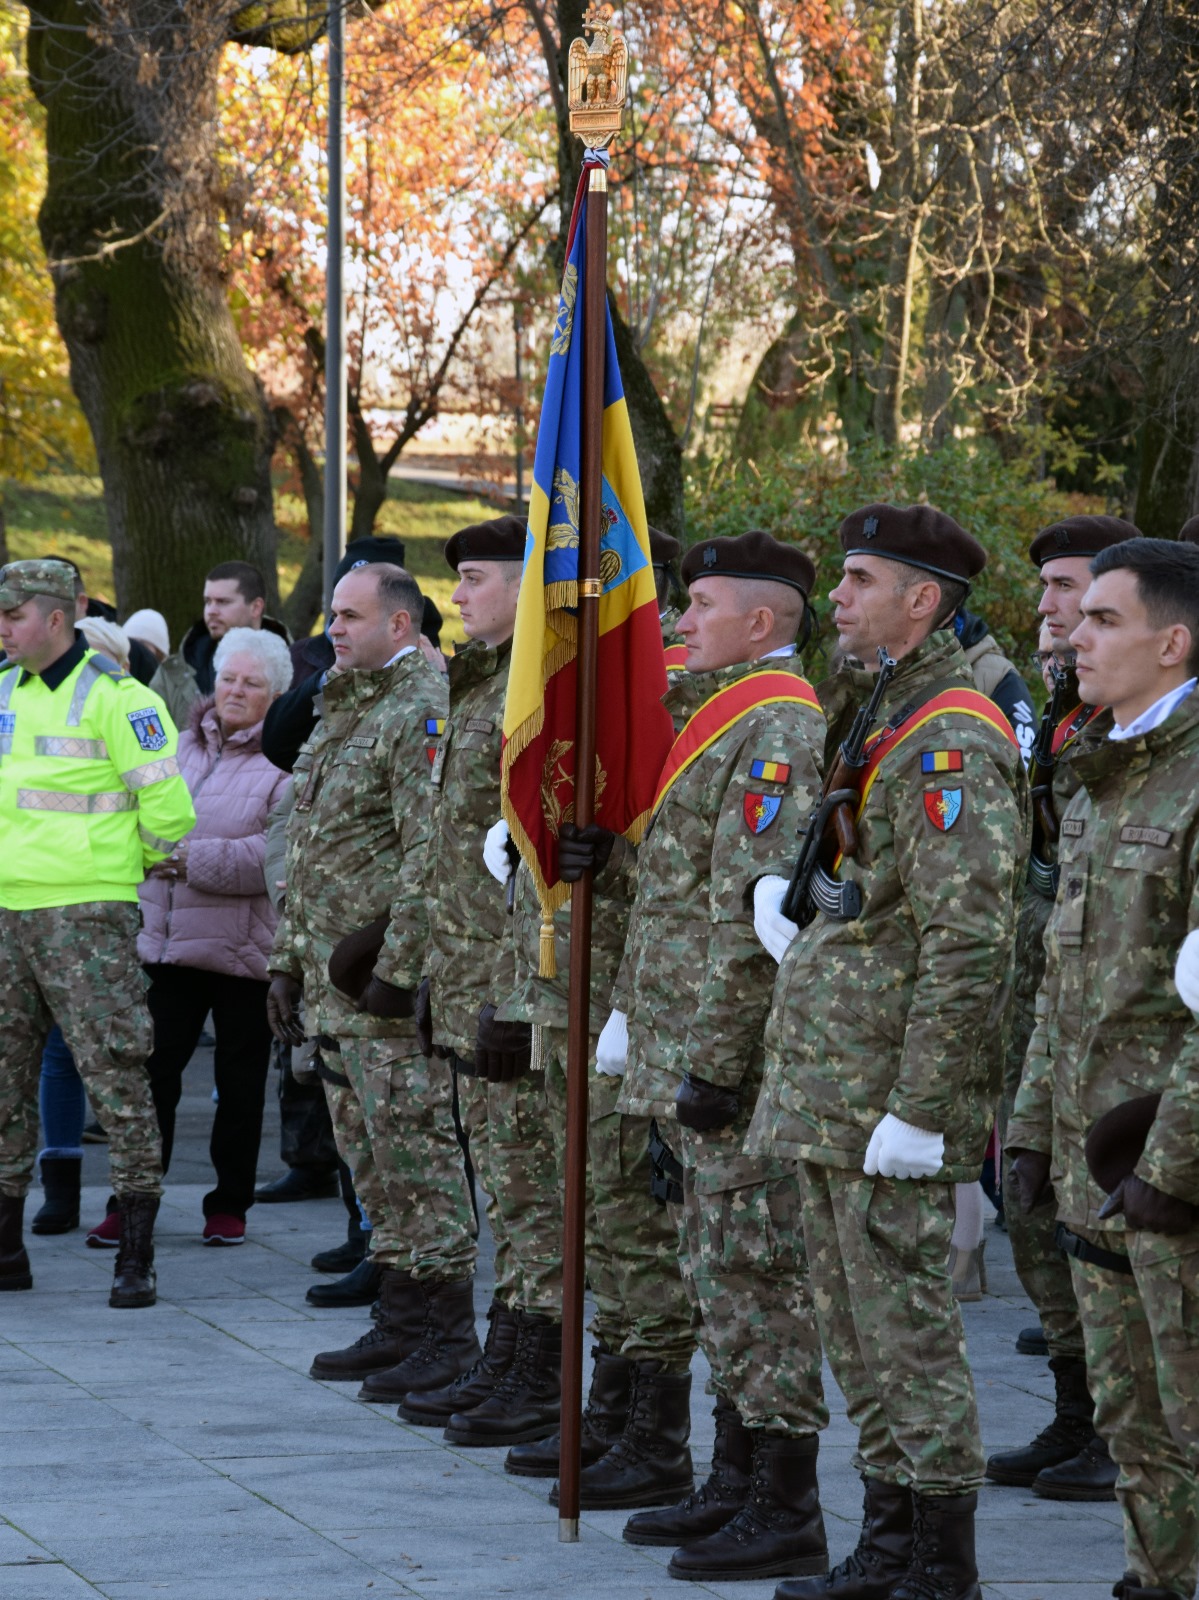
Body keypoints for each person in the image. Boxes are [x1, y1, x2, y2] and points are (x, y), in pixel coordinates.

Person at [753, 504, 1028, 1600]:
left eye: (859, 579)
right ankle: (887, 1538)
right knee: (855, 1331)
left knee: (904, 1331)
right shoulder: (883, 711)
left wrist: (921, 1107)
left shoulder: (948, 733)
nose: (837, 598)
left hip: (881, 1098)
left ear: (923, 599)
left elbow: (970, 942)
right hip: (833, 1083)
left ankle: (935, 1557)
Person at [567, 530, 831, 1582]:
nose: (678, 622)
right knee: (715, 1273)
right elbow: (677, 889)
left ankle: (783, 1500)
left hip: (729, 1054)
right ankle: (731, 1481)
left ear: (760, 623)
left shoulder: (774, 724)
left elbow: (743, 913)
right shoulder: (722, 718)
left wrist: (715, 1062)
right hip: (679, 1034)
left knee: (755, 1280)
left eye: (701, 605)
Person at [1007, 536, 1199, 1600]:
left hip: (1167, 1174)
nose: (1073, 634)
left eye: (1103, 620)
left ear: (1172, 643)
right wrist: (1031, 1128)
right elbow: (1061, 976)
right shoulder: (1099, 771)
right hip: (1097, 1167)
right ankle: (1152, 1580)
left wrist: (1168, 1167)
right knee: (1133, 1421)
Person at [266, 563, 480, 1398]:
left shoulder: (418, 710)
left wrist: (396, 972)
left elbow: (429, 853)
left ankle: (445, 1332)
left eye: (351, 617)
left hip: (379, 992)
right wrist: (286, 963)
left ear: (402, 626)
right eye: (331, 617)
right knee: (372, 1166)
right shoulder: (342, 709)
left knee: (416, 1159)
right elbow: (312, 851)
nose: (334, 631)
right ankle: (399, 1320)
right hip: (332, 993)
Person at [984, 516, 1137, 1502]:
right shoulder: (1063, 713)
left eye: (1070, 592)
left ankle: (1121, 1435)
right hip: (1036, 999)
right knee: (1036, 1219)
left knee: (1106, 1243)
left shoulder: (1132, 727)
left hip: (1118, 1029)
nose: (1052, 612)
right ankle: (1078, 1413)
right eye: (1044, 591)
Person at [0, 558, 195, 1307]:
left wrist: (125, 872)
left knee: (116, 1079)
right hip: (10, 914)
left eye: (15, 616)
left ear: (57, 618)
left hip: (85, 914)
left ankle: (135, 1254)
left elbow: (169, 809)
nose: (5, 629)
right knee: (5, 1082)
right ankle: (8, 1246)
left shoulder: (120, 697)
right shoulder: (5, 692)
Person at [404, 516, 563, 1428]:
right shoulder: (479, 685)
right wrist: (436, 973)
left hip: (516, 983)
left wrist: (510, 995)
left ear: (526, 587)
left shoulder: (539, 691)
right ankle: (511, 1352)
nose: (457, 597)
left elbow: (538, 869)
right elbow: (456, 857)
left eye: (473, 577)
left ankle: (534, 1371)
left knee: (530, 1181)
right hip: (471, 971)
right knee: (505, 1177)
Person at [123, 626, 291, 1245]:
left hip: (244, 953)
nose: (235, 691)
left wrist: (187, 859)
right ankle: (133, 1199)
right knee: (152, 1076)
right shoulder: (178, 746)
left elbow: (272, 854)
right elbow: (141, 814)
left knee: (241, 1087)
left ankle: (229, 1206)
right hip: (169, 947)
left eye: (251, 683)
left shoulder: (284, 758)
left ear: (275, 692)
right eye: (227, 678)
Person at [151, 561, 289, 732]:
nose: (211, 611)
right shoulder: (172, 673)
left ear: (255, 607)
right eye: (208, 601)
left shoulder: (298, 667)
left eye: (223, 602)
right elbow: (152, 747)